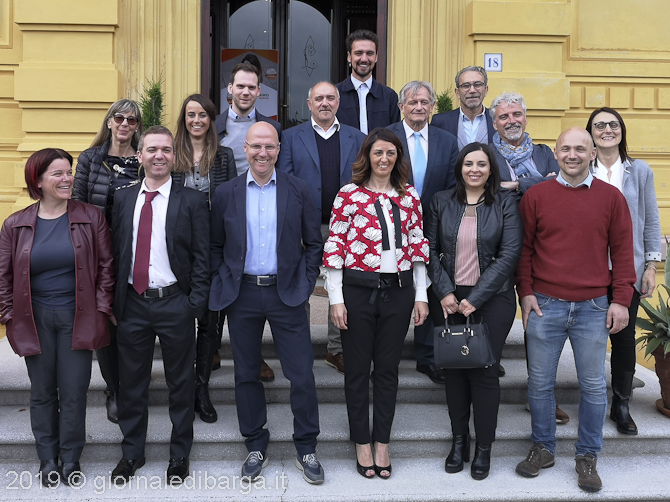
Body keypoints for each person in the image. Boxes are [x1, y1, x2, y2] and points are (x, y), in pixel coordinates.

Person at [515, 127, 636, 492]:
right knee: (539, 384)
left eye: (580, 149)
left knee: (594, 386)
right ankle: (543, 448)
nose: (572, 155)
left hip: (593, 307)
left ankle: (587, 456)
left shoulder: (611, 198)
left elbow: (623, 253)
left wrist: (621, 300)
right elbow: (524, 250)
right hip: (545, 304)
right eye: (565, 148)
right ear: (556, 153)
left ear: (592, 154)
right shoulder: (536, 196)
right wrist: (525, 292)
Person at [209, 122, 325, 485]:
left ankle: (306, 445)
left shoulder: (298, 189)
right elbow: (215, 245)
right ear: (245, 148)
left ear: (278, 150)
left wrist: (306, 282)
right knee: (245, 373)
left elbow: (314, 243)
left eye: (269, 146)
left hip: (286, 293)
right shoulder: (226, 193)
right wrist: (223, 278)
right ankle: (255, 444)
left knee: (301, 373)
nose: (263, 153)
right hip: (241, 294)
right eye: (256, 146)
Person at [0, 148, 114, 487]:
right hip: (34, 319)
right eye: (58, 174)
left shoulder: (91, 217)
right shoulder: (15, 224)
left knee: (75, 391)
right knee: (42, 392)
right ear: (38, 180)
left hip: (78, 317)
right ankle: (47, 459)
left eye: (69, 172)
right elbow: (4, 277)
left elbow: (107, 268)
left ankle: (71, 458)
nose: (67, 179)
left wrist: (102, 310)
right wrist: (9, 316)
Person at [323, 127, 430, 480]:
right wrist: (336, 299)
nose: (384, 159)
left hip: (398, 292)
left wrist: (421, 294)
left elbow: (418, 245)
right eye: (378, 153)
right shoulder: (348, 195)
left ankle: (382, 441)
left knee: (387, 370)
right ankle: (361, 442)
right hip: (357, 292)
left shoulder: (409, 195)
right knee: (357, 371)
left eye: (390, 153)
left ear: (398, 158)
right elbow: (335, 246)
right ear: (367, 156)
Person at [110, 126, 210, 485]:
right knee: (131, 384)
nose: (159, 156)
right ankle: (132, 453)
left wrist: (193, 305)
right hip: (132, 304)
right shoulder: (123, 198)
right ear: (140, 155)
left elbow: (202, 259)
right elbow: (116, 252)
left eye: (166, 150)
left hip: (174, 304)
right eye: (152, 149)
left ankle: (179, 454)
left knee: (180, 384)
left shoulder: (193, 201)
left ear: (174, 156)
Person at [425, 142, 522, 480]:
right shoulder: (441, 201)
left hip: (493, 299)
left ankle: (484, 447)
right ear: (460, 168)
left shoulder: (506, 203)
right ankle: (459, 441)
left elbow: (509, 254)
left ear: (491, 169)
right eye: (469, 164)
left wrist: (476, 299)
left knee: (484, 371)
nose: (475, 170)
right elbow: (429, 249)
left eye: (482, 164)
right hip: (448, 299)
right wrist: (445, 292)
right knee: (453, 371)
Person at [276, 81, 366, 374]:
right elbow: (286, 185)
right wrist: (296, 228)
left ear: (338, 102)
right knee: (301, 286)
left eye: (330, 98)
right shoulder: (290, 137)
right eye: (319, 98)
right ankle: (299, 347)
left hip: (347, 228)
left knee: (341, 289)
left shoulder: (358, 138)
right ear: (309, 103)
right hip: (305, 228)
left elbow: (363, 183)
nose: (325, 103)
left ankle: (336, 349)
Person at [586, 107, 662, 435]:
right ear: (590, 133)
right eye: (599, 125)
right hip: (587, 269)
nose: (607, 129)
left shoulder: (639, 170)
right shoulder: (581, 168)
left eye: (613, 124)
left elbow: (651, 219)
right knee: (588, 336)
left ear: (621, 130)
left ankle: (621, 402)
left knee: (624, 337)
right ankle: (590, 400)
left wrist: (651, 265)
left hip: (627, 268)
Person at [72, 98, 142, 424]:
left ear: (137, 126)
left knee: (132, 321)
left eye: (132, 120)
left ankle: (133, 383)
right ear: (110, 121)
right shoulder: (90, 159)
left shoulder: (143, 161)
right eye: (120, 118)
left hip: (135, 251)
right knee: (106, 320)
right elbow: (77, 205)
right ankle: (114, 388)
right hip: (99, 252)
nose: (125, 124)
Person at [387, 80, 458, 384]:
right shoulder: (386, 136)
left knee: (431, 288)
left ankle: (428, 356)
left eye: (424, 102)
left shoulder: (447, 141)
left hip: (433, 227)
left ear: (432, 107)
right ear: (401, 106)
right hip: (390, 225)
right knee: (393, 291)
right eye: (413, 102)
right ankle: (387, 355)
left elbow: (453, 187)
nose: (418, 107)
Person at [172, 94, 237, 424]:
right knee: (182, 320)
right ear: (183, 119)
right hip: (179, 248)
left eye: (202, 115)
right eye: (191, 114)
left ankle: (202, 388)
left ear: (211, 119)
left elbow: (231, 205)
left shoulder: (224, 156)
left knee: (210, 321)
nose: (196, 120)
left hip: (213, 248)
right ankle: (184, 386)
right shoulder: (171, 154)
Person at [214, 61, 278, 381]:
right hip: (221, 212)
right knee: (220, 276)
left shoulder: (270, 128)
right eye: (240, 85)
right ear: (230, 88)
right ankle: (211, 346)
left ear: (259, 91)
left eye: (251, 87)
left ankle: (255, 355)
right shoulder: (213, 126)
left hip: (257, 213)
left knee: (251, 284)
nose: (245, 91)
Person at [489, 92, 558, 196]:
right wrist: (543, 181)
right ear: (495, 125)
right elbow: (489, 188)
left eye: (517, 114)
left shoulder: (544, 152)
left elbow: (557, 183)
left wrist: (517, 184)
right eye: (504, 117)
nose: (512, 121)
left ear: (525, 119)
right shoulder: (486, 155)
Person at [335, 30, 401, 133]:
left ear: (376, 57)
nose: (364, 59)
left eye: (370, 53)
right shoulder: (335, 95)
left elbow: (395, 135)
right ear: (349, 57)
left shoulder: (390, 97)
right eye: (358, 53)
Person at [430, 66, 495, 150]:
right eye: (466, 86)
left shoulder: (497, 120)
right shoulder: (440, 122)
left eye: (477, 84)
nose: (472, 90)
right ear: (457, 93)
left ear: (486, 90)